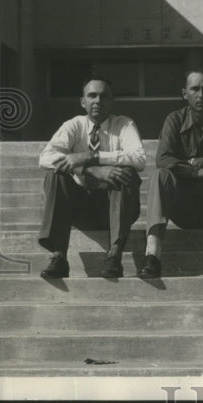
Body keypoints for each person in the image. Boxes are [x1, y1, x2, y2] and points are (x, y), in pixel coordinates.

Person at [138, 70, 203, 279]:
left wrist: (195, 162)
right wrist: (201, 172)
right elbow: (164, 159)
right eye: (195, 89)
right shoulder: (174, 119)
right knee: (160, 175)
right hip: (182, 207)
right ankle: (152, 255)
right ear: (184, 93)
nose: (201, 94)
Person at [37, 76, 145, 279]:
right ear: (83, 102)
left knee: (127, 172)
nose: (98, 101)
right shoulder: (73, 125)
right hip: (80, 208)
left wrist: (94, 156)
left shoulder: (124, 124)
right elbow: (46, 157)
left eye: (104, 96)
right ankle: (59, 256)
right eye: (92, 95)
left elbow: (139, 159)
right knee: (55, 174)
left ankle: (114, 255)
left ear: (112, 101)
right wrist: (90, 169)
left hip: (116, 206)